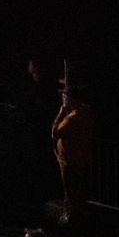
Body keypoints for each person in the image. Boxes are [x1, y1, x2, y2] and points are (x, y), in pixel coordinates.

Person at [51, 83, 96, 228]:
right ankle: (79, 217)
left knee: (71, 190)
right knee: (78, 188)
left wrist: (61, 112)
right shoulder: (86, 112)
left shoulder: (73, 117)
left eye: (65, 97)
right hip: (79, 157)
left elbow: (55, 132)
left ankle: (73, 220)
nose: (63, 100)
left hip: (70, 159)